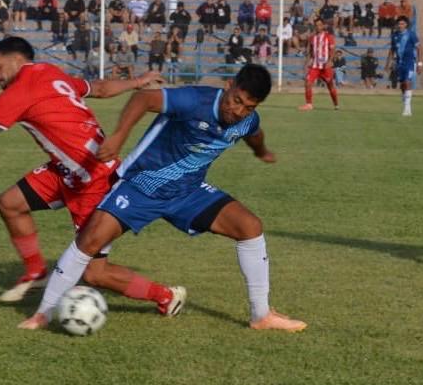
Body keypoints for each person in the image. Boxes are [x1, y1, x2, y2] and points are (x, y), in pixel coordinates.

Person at [18, 64, 307, 332]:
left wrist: (261, 151)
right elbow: (143, 99)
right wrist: (119, 136)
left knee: (250, 227)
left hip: (188, 192)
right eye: (236, 101)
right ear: (229, 86)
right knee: (89, 241)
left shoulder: (246, 121)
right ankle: (44, 313)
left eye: (248, 107)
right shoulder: (195, 100)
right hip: (140, 186)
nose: (238, 111)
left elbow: (254, 132)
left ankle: (261, 315)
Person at [0, 36, 185, 314]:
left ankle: (166, 295)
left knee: (94, 274)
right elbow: (99, 88)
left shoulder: (18, 92)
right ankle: (36, 272)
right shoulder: (50, 72)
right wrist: (137, 81)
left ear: (17, 60)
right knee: (10, 203)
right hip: (68, 172)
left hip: (95, 179)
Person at [384, 16, 423, 116]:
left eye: (402, 24)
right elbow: (392, 50)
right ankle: (405, 97)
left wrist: (420, 63)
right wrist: (388, 63)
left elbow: (420, 48)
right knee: (402, 85)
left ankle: (407, 108)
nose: (400, 25)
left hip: (409, 62)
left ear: (406, 25)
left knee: (407, 82)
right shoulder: (395, 35)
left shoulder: (411, 35)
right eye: (399, 24)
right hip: (399, 63)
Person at [299, 17, 339, 111]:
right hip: (315, 66)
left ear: (323, 26)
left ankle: (336, 104)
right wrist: (308, 61)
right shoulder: (312, 38)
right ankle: (309, 104)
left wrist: (330, 61)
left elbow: (332, 50)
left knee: (330, 85)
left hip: (325, 66)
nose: (318, 27)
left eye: (320, 25)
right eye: (316, 25)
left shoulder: (329, 37)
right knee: (308, 83)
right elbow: (311, 51)